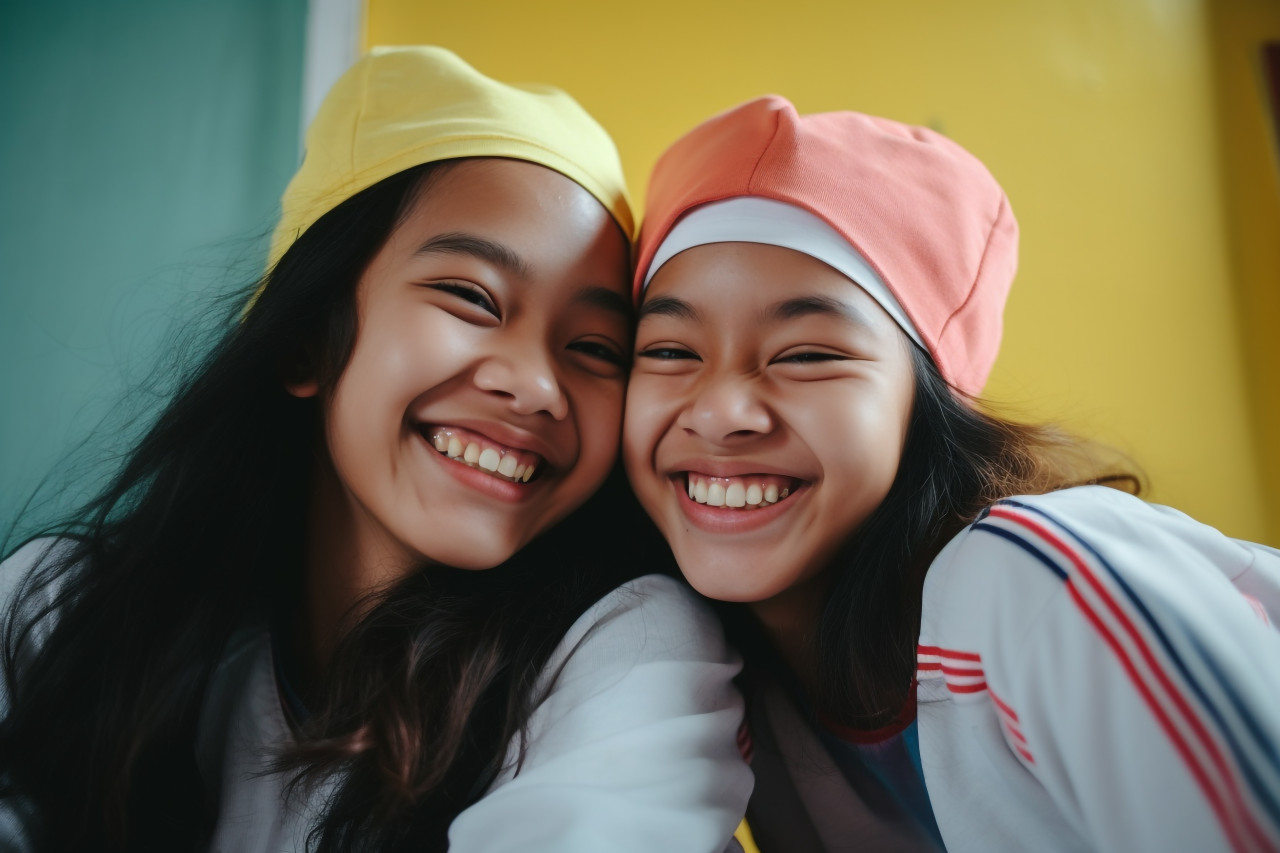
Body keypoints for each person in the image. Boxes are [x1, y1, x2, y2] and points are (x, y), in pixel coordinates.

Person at [0, 47, 751, 852]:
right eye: (471, 296)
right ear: (303, 340)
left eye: (597, 347)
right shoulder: (57, 608)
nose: (538, 385)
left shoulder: (625, 653)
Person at [623, 95, 1280, 852]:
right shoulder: (712, 671)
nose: (721, 410)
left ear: (927, 400)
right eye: (669, 350)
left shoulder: (1037, 581)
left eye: (807, 354)